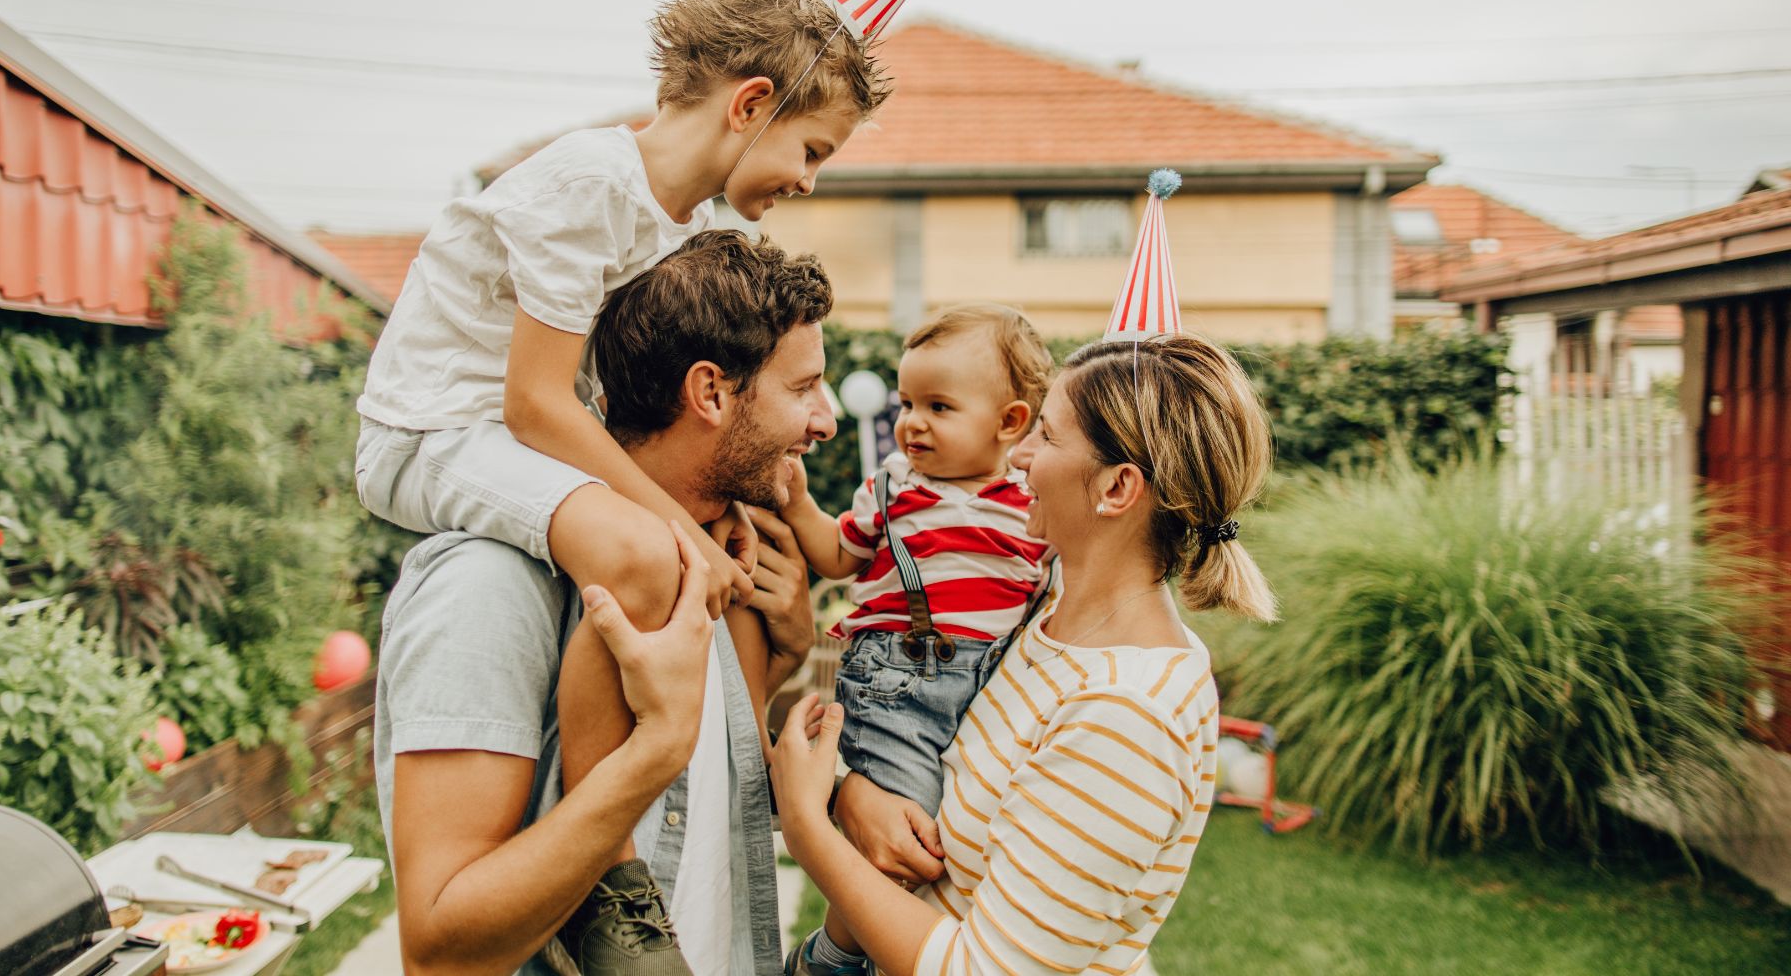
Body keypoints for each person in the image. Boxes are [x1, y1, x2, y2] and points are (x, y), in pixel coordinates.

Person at [354, 0, 888, 961]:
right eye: (813, 151)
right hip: (433, 431)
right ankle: (608, 866)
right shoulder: (595, 182)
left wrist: (759, 639)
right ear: (750, 103)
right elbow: (535, 405)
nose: (811, 181)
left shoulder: (665, 220)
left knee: (661, 552)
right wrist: (663, 529)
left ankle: (614, 840)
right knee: (647, 555)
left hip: (498, 427)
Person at [376, 230, 835, 975]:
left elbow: (694, 831)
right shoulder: (491, 586)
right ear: (710, 393)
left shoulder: (711, 553)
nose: (827, 419)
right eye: (802, 387)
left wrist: (773, 667)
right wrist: (654, 750)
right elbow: (442, 947)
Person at [772, 333, 1277, 974]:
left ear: (1118, 488)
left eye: (1047, 436)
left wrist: (809, 832)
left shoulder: (1127, 714)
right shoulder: (1035, 615)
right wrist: (851, 793)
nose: (1017, 458)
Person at [777, 304, 1055, 974]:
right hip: (899, 682)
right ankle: (834, 957)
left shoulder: (1033, 501)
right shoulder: (894, 487)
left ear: (1010, 423)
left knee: (962, 838)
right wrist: (798, 504)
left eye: (938, 405)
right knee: (904, 836)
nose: (912, 422)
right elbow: (839, 556)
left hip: (992, 686)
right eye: (907, 402)